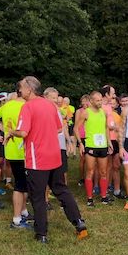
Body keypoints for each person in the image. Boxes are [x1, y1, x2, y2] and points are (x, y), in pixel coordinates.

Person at [10, 76, 87, 244]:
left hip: (37, 159)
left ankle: (41, 234)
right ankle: (79, 222)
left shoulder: (27, 107)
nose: (19, 90)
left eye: (21, 87)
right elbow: (59, 128)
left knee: (37, 197)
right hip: (54, 155)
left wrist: (11, 132)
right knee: (61, 190)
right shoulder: (51, 105)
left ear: (29, 89)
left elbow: (22, 132)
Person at [0, 89, 30, 229]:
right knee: (21, 185)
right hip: (23, 150)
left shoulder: (7, 106)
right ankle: (16, 219)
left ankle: (23, 211)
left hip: (11, 150)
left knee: (22, 183)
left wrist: (4, 130)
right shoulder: (25, 106)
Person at [75, 91, 113, 207]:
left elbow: (106, 128)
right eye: (97, 100)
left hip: (102, 146)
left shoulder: (104, 112)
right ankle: (89, 198)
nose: (100, 102)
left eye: (101, 99)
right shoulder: (86, 113)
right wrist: (81, 143)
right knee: (90, 171)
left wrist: (109, 142)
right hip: (90, 146)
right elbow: (76, 128)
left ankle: (103, 196)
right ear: (91, 101)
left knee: (103, 172)